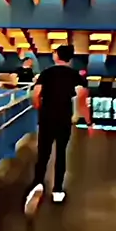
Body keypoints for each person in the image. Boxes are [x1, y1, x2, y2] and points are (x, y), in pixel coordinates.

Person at [24, 44, 91, 213]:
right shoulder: (75, 76)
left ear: (57, 56)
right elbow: (82, 99)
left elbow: (36, 94)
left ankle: (38, 183)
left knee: (43, 152)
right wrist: (89, 122)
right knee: (61, 153)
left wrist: (40, 108)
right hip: (64, 118)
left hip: (46, 118)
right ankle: (58, 190)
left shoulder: (46, 73)